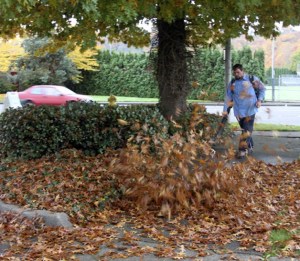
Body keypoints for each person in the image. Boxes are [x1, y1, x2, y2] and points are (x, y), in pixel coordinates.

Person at [223, 63, 265, 158]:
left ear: (243, 71)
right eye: (234, 73)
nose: (236, 74)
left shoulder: (252, 79)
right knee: (246, 130)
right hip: (239, 113)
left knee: (246, 131)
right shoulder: (232, 83)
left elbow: (262, 89)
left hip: (250, 110)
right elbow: (228, 97)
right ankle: (250, 145)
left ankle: (242, 151)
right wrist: (225, 110)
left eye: (238, 72)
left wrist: (259, 100)